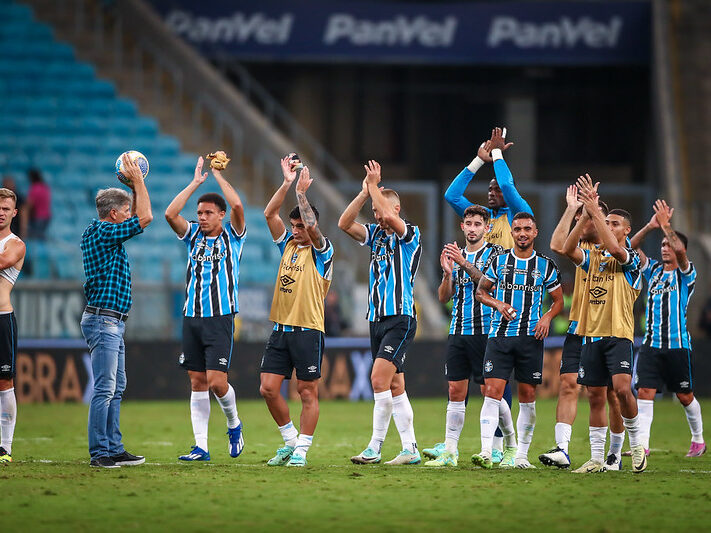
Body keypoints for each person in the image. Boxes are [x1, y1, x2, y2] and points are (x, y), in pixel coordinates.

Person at [444, 127, 532, 458]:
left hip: (509, 304)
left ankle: (502, 445)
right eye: (490, 189)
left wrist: (497, 155)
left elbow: (508, 184)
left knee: (500, 383)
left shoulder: (516, 216)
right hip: (479, 304)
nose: (493, 192)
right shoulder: (480, 220)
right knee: (486, 382)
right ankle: (489, 446)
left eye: (497, 189)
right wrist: (477, 161)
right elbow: (452, 196)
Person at [560, 174, 647, 473]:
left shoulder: (631, 259)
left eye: (614, 224)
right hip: (591, 336)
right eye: (606, 222)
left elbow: (615, 250)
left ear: (627, 230)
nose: (608, 227)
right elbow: (567, 249)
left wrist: (596, 210)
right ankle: (597, 458)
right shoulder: (593, 256)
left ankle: (636, 447)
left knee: (622, 390)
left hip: (619, 335)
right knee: (595, 395)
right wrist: (583, 213)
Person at [339, 160, 422, 466]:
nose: (377, 216)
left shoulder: (409, 234)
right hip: (376, 319)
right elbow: (344, 224)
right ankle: (410, 448)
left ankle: (374, 447)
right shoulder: (375, 235)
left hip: (400, 318)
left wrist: (375, 186)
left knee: (377, 380)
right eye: (373, 211)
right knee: (396, 385)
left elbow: (386, 212)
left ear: (397, 209)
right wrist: (364, 193)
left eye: (381, 210)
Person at [165, 155, 246, 462]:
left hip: (220, 318)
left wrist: (218, 176)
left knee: (217, 382)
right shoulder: (193, 236)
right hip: (192, 318)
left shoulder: (233, 237)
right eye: (199, 213)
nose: (201, 217)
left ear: (221, 215)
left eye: (208, 213)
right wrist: (196, 183)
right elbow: (170, 213)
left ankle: (234, 424)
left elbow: (238, 207)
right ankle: (201, 447)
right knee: (197, 382)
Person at [540, 186, 626, 470]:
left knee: (607, 394)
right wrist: (572, 209)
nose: (583, 221)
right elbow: (556, 245)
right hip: (578, 329)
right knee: (568, 386)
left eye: (588, 217)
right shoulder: (583, 247)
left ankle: (614, 454)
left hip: (607, 330)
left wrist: (592, 212)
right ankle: (562, 449)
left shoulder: (615, 252)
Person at [471, 212, 563, 469]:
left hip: (530, 339)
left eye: (527, 229)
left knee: (528, 397)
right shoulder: (498, 261)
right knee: (492, 393)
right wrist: (498, 303)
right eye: (518, 229)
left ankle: (520, 455)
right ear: (512, 233)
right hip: (499, 337)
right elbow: (481, 292)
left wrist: (546, 318)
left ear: (535, 233)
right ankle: (487, 451)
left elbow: (558, 301)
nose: (522, 233)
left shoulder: (545, 265)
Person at [259, 156, 334, 468]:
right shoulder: (287, 246)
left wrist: (302, 195)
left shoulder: (323, 253)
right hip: (281, 330)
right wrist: (288, 183)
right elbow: (268, 213)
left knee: (306, 391)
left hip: (308, 330)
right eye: (293, 226)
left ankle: (302, 450)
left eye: (300, 226)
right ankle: (291, 442)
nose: (295, 231)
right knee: (267, 388)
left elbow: (315, 231)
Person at [79, 154, 152, 468]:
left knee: (116, 386)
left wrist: (134, 190)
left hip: (111, 320)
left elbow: (136, 212)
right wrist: (139, 182)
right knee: (106, 387)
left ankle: (113, 446)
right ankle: (100, 452)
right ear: (113, 214)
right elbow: (146, 218)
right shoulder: (105, 233)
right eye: (124, 212)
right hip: (103, 319)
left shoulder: (101, 231)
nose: (129, 215)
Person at [422, 206, 504, 467]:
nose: (472, 228)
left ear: (486, 228)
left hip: (487, 332)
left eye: (477, 224)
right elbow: (444, 297)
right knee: (455, 390)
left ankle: (496, 449)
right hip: (458, 331)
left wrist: (462, 262)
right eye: (468, 223)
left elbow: (487, 284)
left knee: (490, 391)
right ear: (462, 226)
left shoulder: (495, 254)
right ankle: (450, 451)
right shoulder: (454, 255)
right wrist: (447, 274)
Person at [629, 199, 705, 457]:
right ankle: (643, 446)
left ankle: (698, 440)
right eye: (662, 245)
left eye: (668, 244)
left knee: (684, 396)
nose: (665, 248)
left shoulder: (686, 274)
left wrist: (667, 227)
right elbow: (631, 247)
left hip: (677, 346)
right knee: (645, 392)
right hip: (651, 345)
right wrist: (652, 226)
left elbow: (682, 252)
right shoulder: (652, 271)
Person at [0, 188, 26, 464]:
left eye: (6, 208)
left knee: (4, 381)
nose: (1, 212)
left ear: (14, 212)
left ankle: (5, 447)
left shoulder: (15, 244)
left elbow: (3, 261)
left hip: (1, 317)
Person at [26, 168, 51, 240]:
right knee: (41, 236)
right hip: (46, 216)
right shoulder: (45, 187)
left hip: (38, 216)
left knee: (35, 238)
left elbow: (30, 204)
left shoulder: (34, 188)